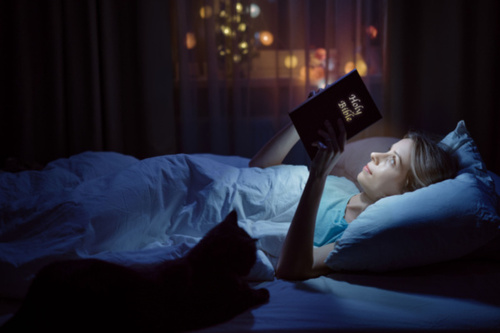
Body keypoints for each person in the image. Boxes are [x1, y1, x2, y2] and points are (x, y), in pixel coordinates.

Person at [249, 118, 457, 280]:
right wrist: (301, 121)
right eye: (387, 151)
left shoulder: (354, 236)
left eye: (392, 160)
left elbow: (289, 268)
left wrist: (318, 175)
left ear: (407, 191)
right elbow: (257, 172)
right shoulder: (343, 185)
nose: (375, 154)